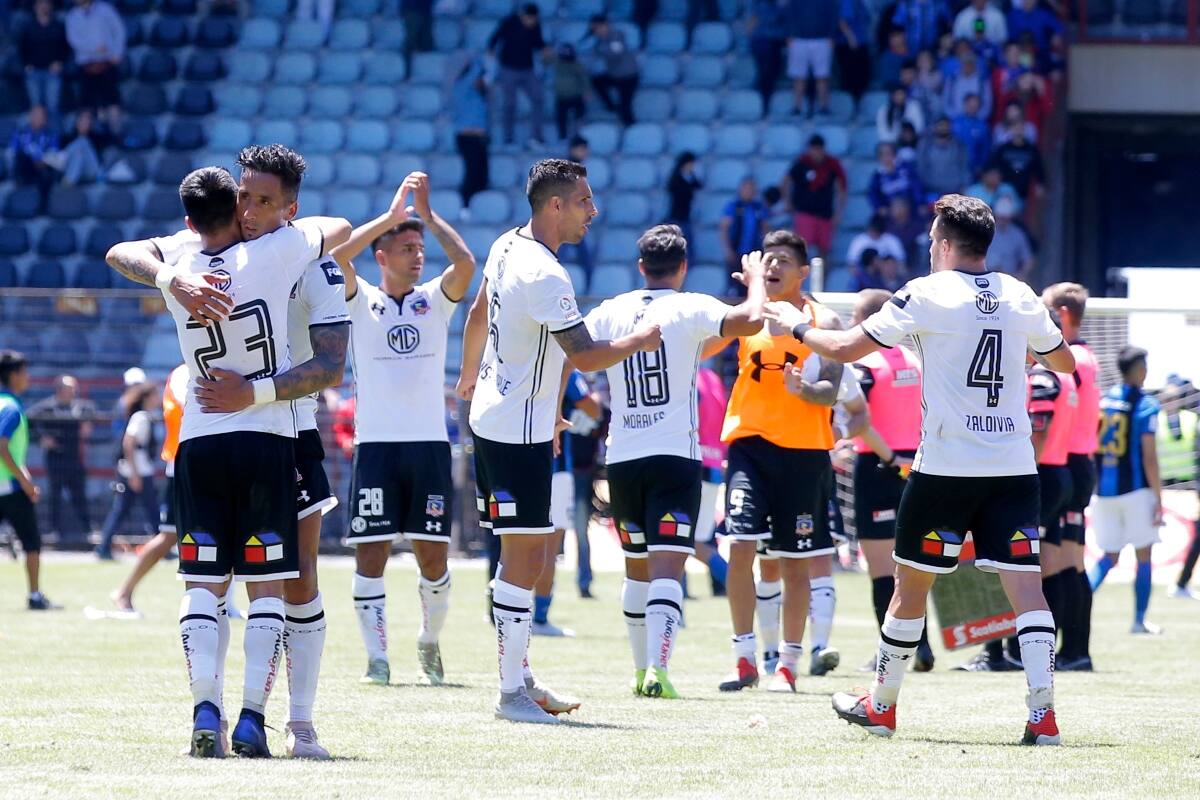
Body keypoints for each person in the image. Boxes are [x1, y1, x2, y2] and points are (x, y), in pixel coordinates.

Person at [769, 193, 1074, 744]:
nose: (930, 248)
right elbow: (1064, 361)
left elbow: (843, 347)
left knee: (910, 585)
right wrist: (1019, 352)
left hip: (945, 468)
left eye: (933, 240)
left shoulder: (927, 293)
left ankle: (882, 706)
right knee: (1027, 590)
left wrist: (795, 325)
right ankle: (1043, 716)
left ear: (946, 244)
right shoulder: (1020, 293)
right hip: (1012, 466)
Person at [104, 166, 351, 758]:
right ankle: (252, 720)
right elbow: (341, 227)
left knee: (210, 583)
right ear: (232, 203)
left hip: (209, 438)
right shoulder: (280, 251)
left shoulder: (183, 258)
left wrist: (172, 277)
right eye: (244, 197)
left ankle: (215, 713)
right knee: (268, 585)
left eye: (263, 200)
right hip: (267, 434)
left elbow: (118, 252)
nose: (251, 209)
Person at [456, 159, 662, 724]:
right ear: (555, 205)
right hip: (514, 430)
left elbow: (478, 313)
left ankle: (519, 676)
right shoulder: (546, 274)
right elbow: (587, 355)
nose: (593, 211)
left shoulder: (506, 244)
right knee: (527, 555)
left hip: (497, 418)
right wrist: (640, 339)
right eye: (584, 201)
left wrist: (470, 376)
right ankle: (510, 694)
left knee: (528, 552)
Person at [586, 226, 767, 698]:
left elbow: (573, 353)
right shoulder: (690, 307)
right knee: (668, 568)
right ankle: (658, 671)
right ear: (683, 267)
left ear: (640, 266)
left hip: (623, 458)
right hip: (674, 457)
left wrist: (555, 414)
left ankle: (637, 670)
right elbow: (751, 321)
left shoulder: (610, 311)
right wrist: (754, 281)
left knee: (636, 568)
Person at [326, 173, 474, 688]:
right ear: (381, 256)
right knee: (371, 553)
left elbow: (465, 265)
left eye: (420, 249)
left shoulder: (434, 299)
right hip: (375, 449)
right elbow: (335, 258)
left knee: (432, 556)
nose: (418, 257)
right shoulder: (360, 299)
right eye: (407, 248)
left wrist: (428, 217)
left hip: (428, 447)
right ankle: (377, 658)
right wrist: (388, 219)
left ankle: (429, 641)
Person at [701, 229, 843, 694]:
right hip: (749, 446)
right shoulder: (750, 316)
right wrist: (751, 291)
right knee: (740, 545)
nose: (774, 266)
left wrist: (805, 390)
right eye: (768, 260)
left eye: (783, 260)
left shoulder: (824, 320)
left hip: (804, 452)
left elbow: (832, 390)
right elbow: (705, 347)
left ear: (803, 272)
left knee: (794, 561)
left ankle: (787, 666)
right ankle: (744, 659)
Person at [840, 290, 932, 671]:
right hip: (919, 466)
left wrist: (890, 458)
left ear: (867, 321)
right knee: (913, 564)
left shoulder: (865, 364)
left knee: (880, 568)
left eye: (854, 317)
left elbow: (860, 421)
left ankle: (890, 651)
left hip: (880, 466)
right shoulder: (916, 360)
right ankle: (922, 646)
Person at [1042, 283, 1100, 669]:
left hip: (1063, 461)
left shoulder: (1068, 360)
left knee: (1057, 561)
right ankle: (1075, 650)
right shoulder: (1088, 356)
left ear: (1062, 314)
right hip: (1079, 462)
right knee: (1071, 562)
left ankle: (1066, 649)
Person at [1087, 346, 1163, 636]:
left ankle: (1072, 611)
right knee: (1143, 555)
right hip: (1135, 492)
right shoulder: (1146, 404)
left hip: (1103, 492)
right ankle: (1139, 620)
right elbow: (1149, 457)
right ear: (1140, 369)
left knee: (1109, 556)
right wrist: (1158, 497)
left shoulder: (1103, 401)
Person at [109, 363, 188, 614]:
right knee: (166, 534)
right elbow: (128, 443)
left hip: (188, 466)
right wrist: (133, 473)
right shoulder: (183, 374)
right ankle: (123, 590)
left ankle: (226, 605)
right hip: (183, 466)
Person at [536, 369, 602, 635]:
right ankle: (539, 616)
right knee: (549, 545)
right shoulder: (564, 366)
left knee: (516, 542)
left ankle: (510, 611)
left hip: (517, 459)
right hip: (554, 464)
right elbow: (593, 409)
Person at [0, 351, 58, 611]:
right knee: (31, 542)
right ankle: (34, 595)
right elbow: (2, 446)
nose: (28, 378)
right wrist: (23, 480)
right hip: (10, 489)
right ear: (13, 376)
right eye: (24, 373)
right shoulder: (11, 408)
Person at [95, 381, 160, 560]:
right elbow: (128, 443)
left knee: (126, 509)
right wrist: (135, 474)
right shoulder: (141, 417)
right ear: (147, 397)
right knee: (147, 509)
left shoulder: (144, 416)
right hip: (138, 470)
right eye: (155, 395)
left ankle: (104, 547)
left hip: (138, 469)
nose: (158, 399)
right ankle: (161, 546)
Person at [27, 375, 95, 541]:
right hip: (55, 458)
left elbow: (91, 411)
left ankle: (87, 530)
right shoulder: (47, 408)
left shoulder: (79, 407)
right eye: (70, 388)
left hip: (75, 458)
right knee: (55, 495)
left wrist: (87, 424)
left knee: (79, 495)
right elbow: (27, 421)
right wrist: (41, 439)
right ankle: (54, 530)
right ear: (60, 390)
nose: (74, 391)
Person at [488, 3, 548, 147]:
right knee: (510, 104)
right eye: (529, 19)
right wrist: (491, 49)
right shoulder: (509, 22)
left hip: (527, 69)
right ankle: (508, 137)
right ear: (523, 16)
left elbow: (538, 43)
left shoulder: (536, 26)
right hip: (508, 69)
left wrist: (545, 49)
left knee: (538, 98)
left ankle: (536, 136)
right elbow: (495, 37)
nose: (531, 22)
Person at [780, 135, 847, 258]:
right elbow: (785, 181)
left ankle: (822, 271)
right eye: (813, 149)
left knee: (824, 251)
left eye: (818, 149)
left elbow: (842, 188)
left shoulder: (832, 164)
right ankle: (801, 271)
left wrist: (838, 212)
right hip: (805, 213)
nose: (816, 153)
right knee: (802, 248)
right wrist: (788, 203)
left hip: (825, 214)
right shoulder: (802, 163)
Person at [694, 365, 730, 595]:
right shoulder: (712, 378)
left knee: (685, 540)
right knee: (695, 540)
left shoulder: (686, 376)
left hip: (693, 465)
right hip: (713, 465)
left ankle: (742, 585)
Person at [65, 0, 125, 125]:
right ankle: (88, 133)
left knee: (112, 104)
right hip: (86, 66)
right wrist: (95, 49)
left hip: (107, 63)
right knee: (86, 106)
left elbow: (119, 30)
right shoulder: (72, 16)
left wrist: (117, 53)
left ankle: (115, 133)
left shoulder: (105, 9)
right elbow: (74, 40)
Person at [583, 14, 638, 128]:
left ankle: (632, 129)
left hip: (628, 76)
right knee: (597, 81)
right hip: (615, 75)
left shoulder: (616, 36)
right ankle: (611, 107)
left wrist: (601, 48)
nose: (596, 31)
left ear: (605, 25)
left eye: (597, 28)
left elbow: (616, 54)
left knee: (625, 106)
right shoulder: (600, 40)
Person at [785, 0, 838, 117]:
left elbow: (834, 16)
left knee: (822, 76)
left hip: (822, 40)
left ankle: (824, 107)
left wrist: (831, 36)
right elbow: (789, 16)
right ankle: (797, 107)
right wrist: (789, 34)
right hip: (798, 40)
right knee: (798, 76)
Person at [19, 0, 69, 118]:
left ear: (51, 7)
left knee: (53, 106)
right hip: (33, 72)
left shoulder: (58, 26)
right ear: (35, 7)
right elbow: (21, 48)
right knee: (36, 107)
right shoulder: (28, 27)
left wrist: (60, 62)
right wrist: (26, 64)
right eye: (40, 4)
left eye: (46, 4)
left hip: (53, 72)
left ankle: (54, 130)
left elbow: (66, 48)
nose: (43, 7)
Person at [452, 55, 490, 213]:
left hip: (480, 139)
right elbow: (472, 73)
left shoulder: (481, 96)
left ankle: (480, 207)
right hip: (467, 138)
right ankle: (465, 206)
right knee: (472, 172)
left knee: (483, 175)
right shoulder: (462, 88)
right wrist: (478, 63)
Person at [720, 177, 771, 279]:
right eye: (747, 188)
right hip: (736, 252)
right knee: (735, 281)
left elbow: (765, 229)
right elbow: (723, 230)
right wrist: (728, 250)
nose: (749, 191)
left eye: (752, 188)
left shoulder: (759, 207)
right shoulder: (733, 206)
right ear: (741, 189)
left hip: (755, 253)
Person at [9, 105, 59, 195]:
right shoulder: (20, 132)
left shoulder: (51, 135)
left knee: (47, 171)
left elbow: (54, 154)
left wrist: (42, 162)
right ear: (30, 116)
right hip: (23, 167)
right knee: (21, 158)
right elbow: (12, 152)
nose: (37, 118)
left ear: (45, 119)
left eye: (40, 116)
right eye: (35, 115)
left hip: (42, 169)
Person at [917, 116, 970, 200]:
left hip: (953, 191)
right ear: (935, 127)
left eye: (946, 126)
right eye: (941, 125)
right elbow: (921, 167)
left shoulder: (959, 145)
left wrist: (964, 187)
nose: (943, 128)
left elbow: (964, 167)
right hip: (931, 190)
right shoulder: (925, 145)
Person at [988, 123, 1044, 202]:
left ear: (1024, 130)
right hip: (1006, 188)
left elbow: (1039, 168)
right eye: (1016, 128)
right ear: (1011, 130)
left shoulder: (1031, 149)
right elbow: (993, 167)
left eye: (1021, 128)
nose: (1018, 131)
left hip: (1024, 190)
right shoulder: (1003, 149)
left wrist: (1040, 183)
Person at [749, 0, 786, 115]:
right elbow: (752, 20)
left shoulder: (780, 4)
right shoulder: (757, 3)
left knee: (772, 72)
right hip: (762, 40)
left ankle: (766, 99)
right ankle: (763, 102)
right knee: (765, 73)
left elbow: (781, 18)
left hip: (775, 40)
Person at [57, 109, 110, 185]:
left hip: (92, 170)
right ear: (77, 122)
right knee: (78, 155)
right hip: (72, 168)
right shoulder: (67, 138)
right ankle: (68, 181)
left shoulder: (96, 138)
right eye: (83, 121)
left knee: (83, 141)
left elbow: (99, 159)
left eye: (88, 121)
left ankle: (60, 158)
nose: (86, 123)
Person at [985, 196, 1034, 280]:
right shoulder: (986, 232)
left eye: (1005, 219)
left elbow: (1028, 260)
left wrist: (1021, 275)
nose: (1002, 221)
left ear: (1010, 218)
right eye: (1000, 218)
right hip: (986, 276)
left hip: (1009, 279)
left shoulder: (1018, 235)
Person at [836, 0, 872, 109]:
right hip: (851, 45)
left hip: (861, 42)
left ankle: (857, 105)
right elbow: (842, 22)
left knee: (862, 78)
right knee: (853, 79)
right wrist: (851, 38)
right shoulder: (848, 2)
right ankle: (851, 107)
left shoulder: (861, 2)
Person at [868, 142, 921, 214]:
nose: (886, 157)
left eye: (888, 153)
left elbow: (916, 186)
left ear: (894, 154)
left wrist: (920, 203)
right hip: (890, 213)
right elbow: (873, 195)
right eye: (882, 154)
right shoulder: (877, 176)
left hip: (911, 209)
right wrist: (879, 207)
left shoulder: (906, 169)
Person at [553, 44, 588, 142]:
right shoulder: (557, 62)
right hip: (561, 96)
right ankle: (562, 138)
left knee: (579, 117)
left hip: (576, 96)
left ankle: (579, 136)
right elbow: (545, 60)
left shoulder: (577, 64)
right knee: (561, 119)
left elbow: (584, 78)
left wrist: (587, 91)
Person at [665, 152, 702, 246]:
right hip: (676, 215)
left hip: (686, 215)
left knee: (687, 242)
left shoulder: (690, 177)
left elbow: (698, 185)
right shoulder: (676, 178)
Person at [951, 93, 990, 176]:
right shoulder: (954, 123)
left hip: (973, 169)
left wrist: (981, 166)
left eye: (975, 106)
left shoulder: (983, 126)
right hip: (953, 166)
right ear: (965, 105)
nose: (972, 108)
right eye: (970, 105)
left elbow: (985, 150)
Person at [400, 0, 434, 73]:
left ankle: (424, 71)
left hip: (426, 9)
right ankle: (407, 71)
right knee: (411, 41)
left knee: (427, 44)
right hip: (412, 9)